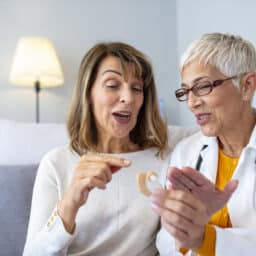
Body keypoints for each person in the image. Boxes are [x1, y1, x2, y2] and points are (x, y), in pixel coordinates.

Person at [23, 42, 192, 256]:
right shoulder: (57, 163)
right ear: (88, 94)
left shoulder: (165, 156)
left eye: (137, 88)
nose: (128, 98)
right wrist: (70, 202)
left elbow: (211, 130)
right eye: (112, 85)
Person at [151, 33, 256, 255]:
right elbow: (166, 243)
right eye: (186, 91)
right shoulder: (187, 152)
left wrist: (204, 236)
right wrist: (188, 225)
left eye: (203, 87)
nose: (192, 103)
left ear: (246, 86)